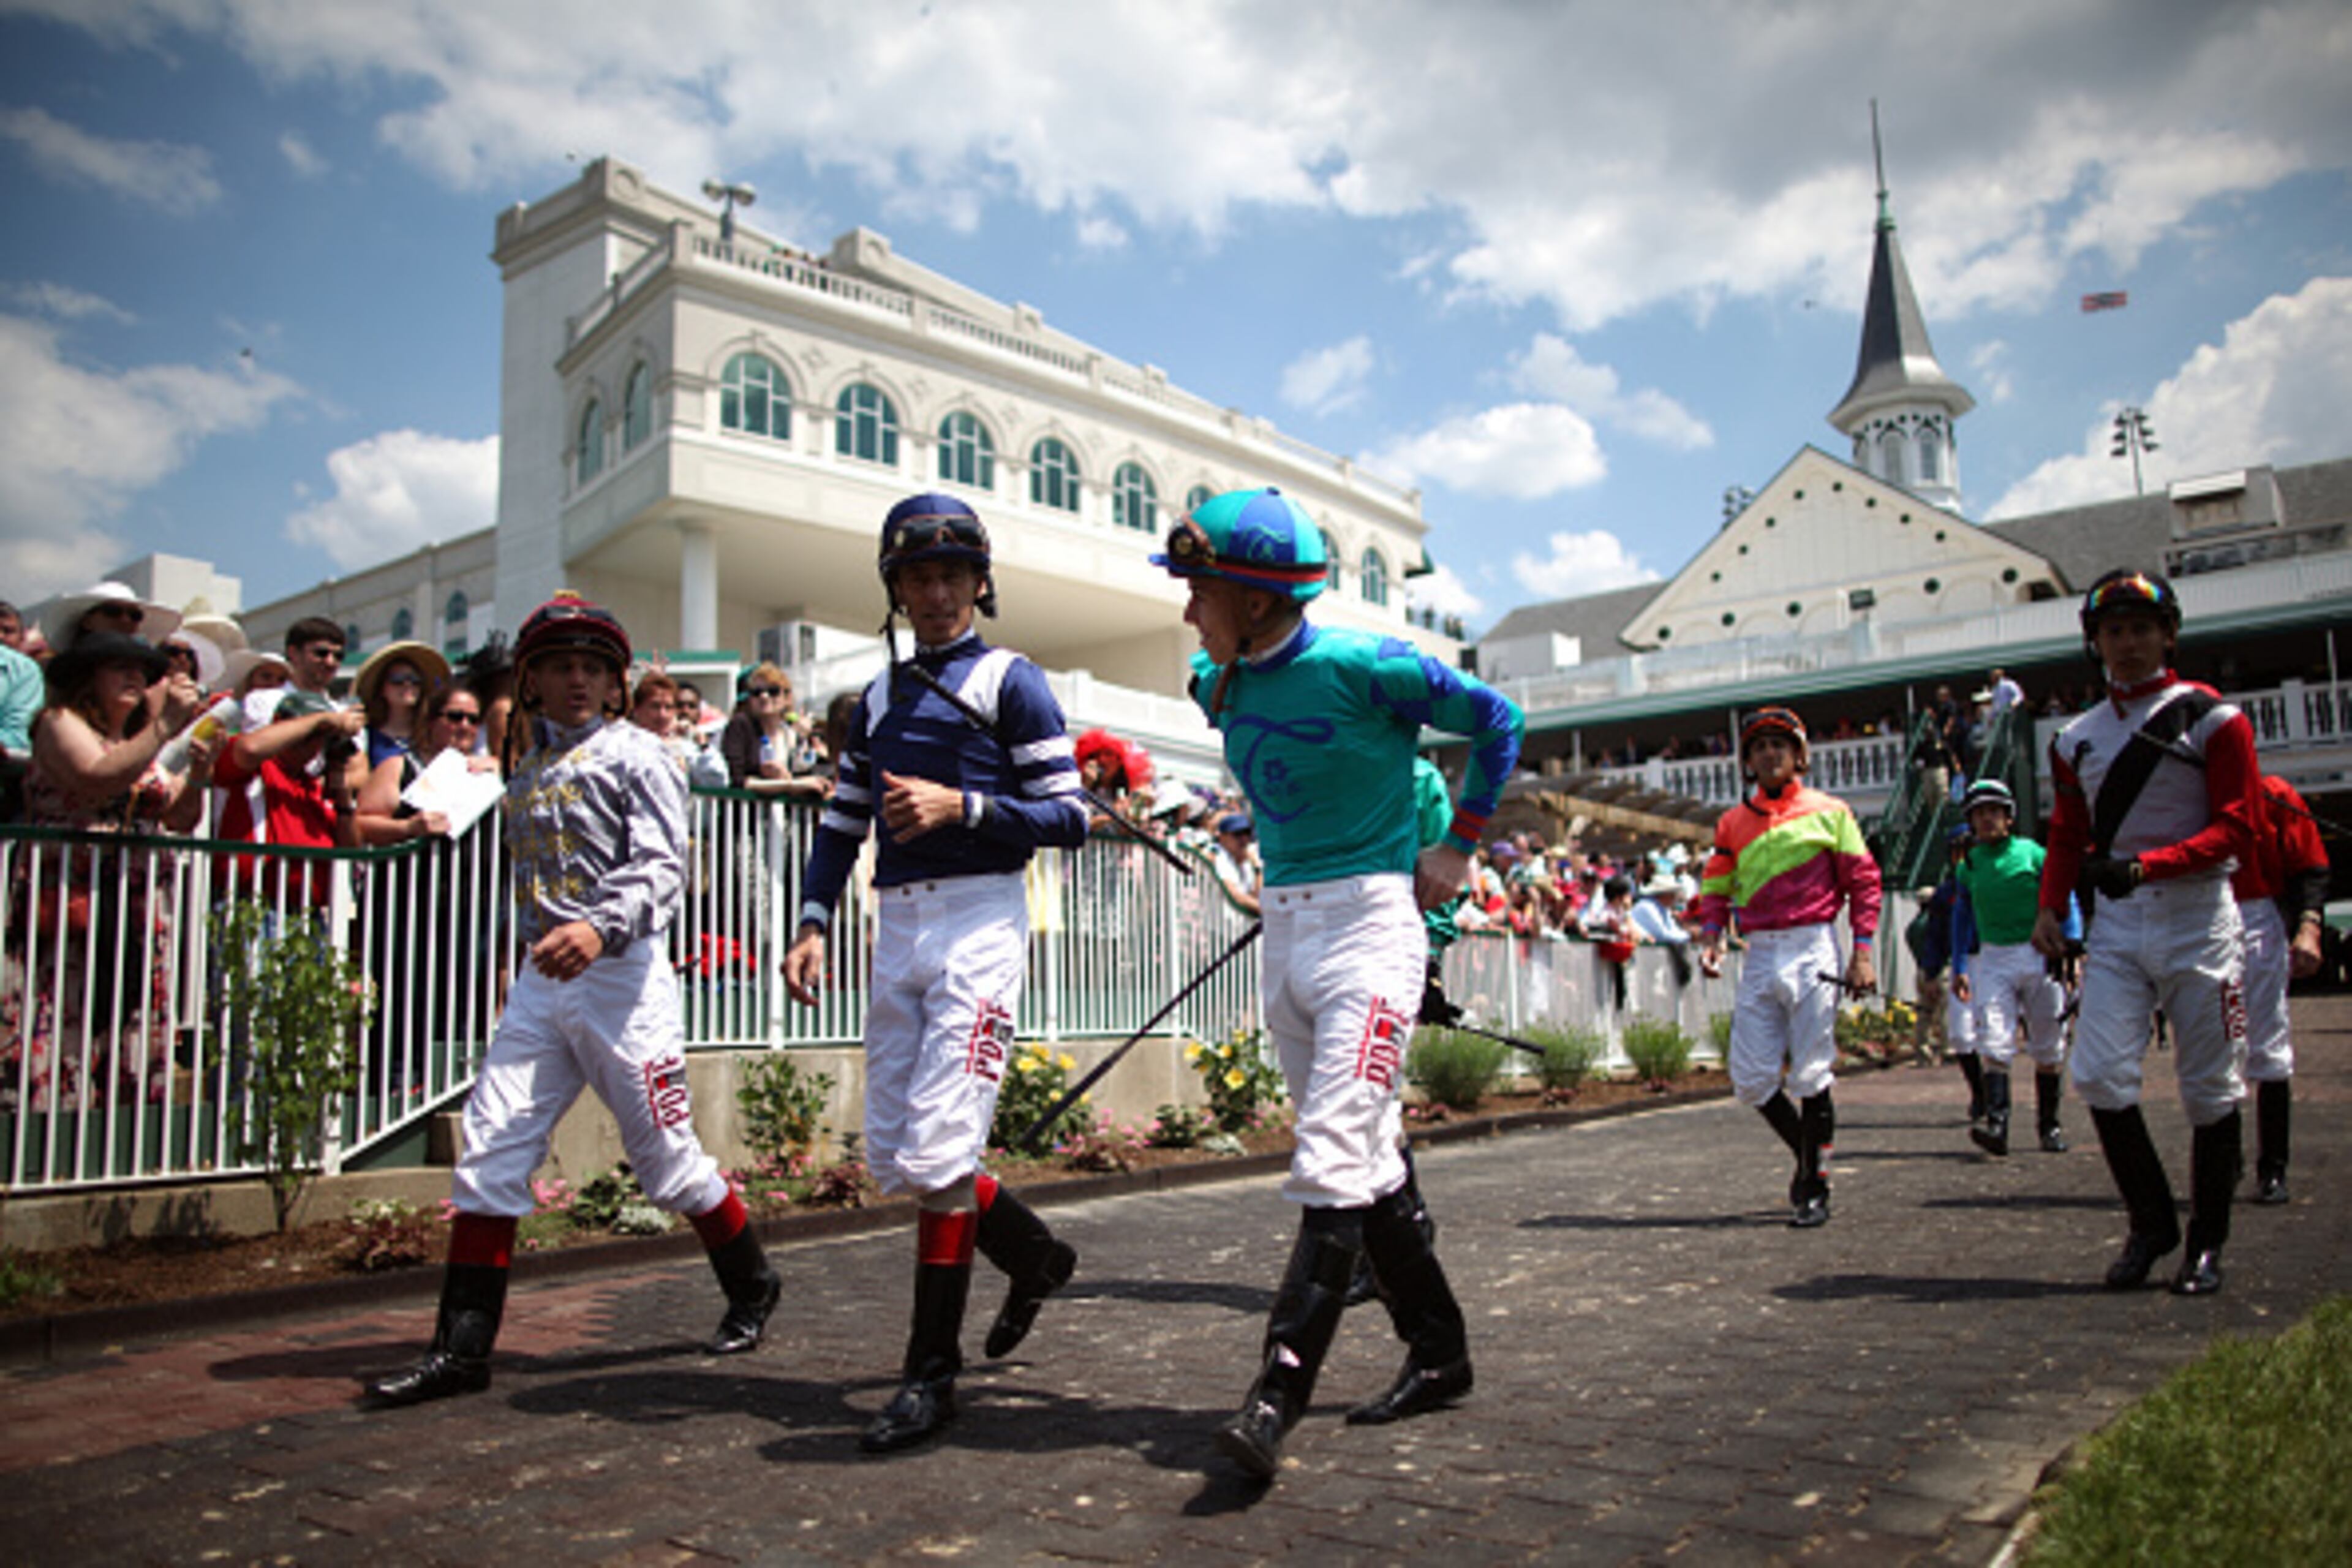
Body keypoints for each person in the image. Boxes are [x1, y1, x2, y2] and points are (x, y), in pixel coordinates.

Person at [1152, 484, 1522, 1480]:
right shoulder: (1215, 685)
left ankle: (1275, 1396)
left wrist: (1459, 845)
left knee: (1331, 1156)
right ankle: (1441, 1353)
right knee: (1373, 1156)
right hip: (1287, 934)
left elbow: (1500, 718)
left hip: (1370, 934)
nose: (1189, 612)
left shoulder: (1370, 666)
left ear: (1258, 601)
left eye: (1201, 592)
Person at [368, 593, 781, 1408]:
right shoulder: (525, 767)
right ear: (531, 680)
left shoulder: (642, 755)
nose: (578, 680)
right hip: (539, 984)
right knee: (490, 1150)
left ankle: (755, 1282)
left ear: (617, 681)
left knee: (666, 1166)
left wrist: (598, 927)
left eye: (593, 666)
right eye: (561, 666)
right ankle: (462, 1351)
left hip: (623, 982)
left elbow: (666, 868)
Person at [781, 494, 1088, 1453]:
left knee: (945, 1152)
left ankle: (930, 1376)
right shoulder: (875, 698)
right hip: (897, 926)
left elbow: (1069, 818)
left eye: (955, 574)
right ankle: (1033, 1254)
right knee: (900, 1158)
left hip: (980, 922)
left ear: (980, 582)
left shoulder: (1015, 680)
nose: (938, 590)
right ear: (896, 589)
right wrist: (812, 918)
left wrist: (966, 805)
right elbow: (842, 820)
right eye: (919, 576)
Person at [2031, 570, 2259, 1296]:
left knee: (2211, 1089)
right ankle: (2152, 1222)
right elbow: (2067, 833)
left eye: (2140, 629)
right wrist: (2049, 907)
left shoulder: (2215, 719)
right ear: (2094, 643)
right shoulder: (2075, 738)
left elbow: (2237, 828)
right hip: (2121, 925)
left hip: (2200, 917)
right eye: (2113, 632)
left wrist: (2151, 864)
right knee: (2097, 1073)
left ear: (2169, 634)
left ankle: (2207, 1244)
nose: (2127, 645)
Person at [4, 633, 212, 1110]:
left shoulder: (140, 742)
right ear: (86, 678)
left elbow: (179, 818)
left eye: (142, 671)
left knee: (129, 1004)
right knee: (62, 1003)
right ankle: (47, 1134)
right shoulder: (60, 722)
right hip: (70, 893)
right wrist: (163, 727)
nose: (134, 678)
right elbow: (95, 779)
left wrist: (200, 775)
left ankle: (123, 1125)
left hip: (136, 901)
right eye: (119, 667)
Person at [1693, 707, 1881, 1229]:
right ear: (1747, 763)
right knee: (1751, 1078)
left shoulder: (1831, 811)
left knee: (1812, 1071)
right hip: (1758, 949)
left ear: (1799, 755)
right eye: (1758, 747)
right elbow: (1716, 885)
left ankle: (1814, 1187)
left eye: (1779, 744)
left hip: (1813, 945)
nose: (1769, 754)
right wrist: (1711, 934)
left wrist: (1863, 952)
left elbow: (1864, 883)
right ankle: (1809, 1157)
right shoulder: (1732, 822)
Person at [1948, 779, 2076, 1156]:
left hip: (2039, 952)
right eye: (1978, 814)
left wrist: (2071, 946)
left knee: (2048, 1039)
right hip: (1994, 957)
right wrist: (1958, 965)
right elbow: (1962, 916)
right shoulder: (1968, 866)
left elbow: (2064, 899)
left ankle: (2049, 1127)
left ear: (2008, 817)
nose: (1986, 820)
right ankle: (1997, 1124)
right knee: (1995, 1037)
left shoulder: (2032, 853)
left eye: (1993, 812)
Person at [2231, 774, 2329, 1205]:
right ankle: (2222, 1163)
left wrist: (2309, 927)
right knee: (2211, 1047)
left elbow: (2309, 864)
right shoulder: (2181, 793)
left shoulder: (2273, 792)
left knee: (2266, 1043)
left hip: (2256, 917)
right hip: (2194, 917)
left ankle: (2273, 1168)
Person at [718, 663, 829, 800]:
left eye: (773, 691)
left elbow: (809, 779)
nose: (764, 696)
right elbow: (737, 781)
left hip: (786, 816)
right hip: (748, 815)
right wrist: (790, 785)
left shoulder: (791, 733)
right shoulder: (741, 725)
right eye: (756, 692)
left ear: (787, 697)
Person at [353, 640, 452, 773]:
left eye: (415, 680)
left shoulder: (432, 733)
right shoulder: (366, 736)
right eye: (397, 679)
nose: (407, 685)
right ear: (382, 688)